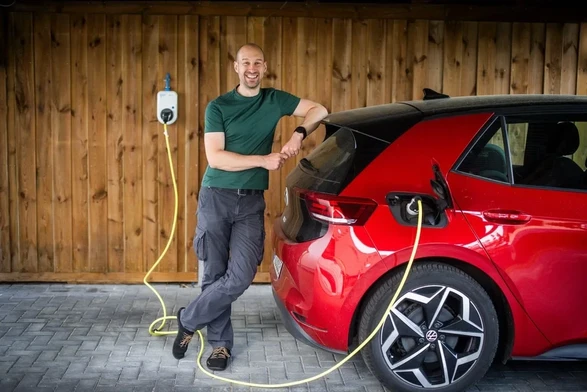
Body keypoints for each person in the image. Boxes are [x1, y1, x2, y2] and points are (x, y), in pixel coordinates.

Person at [172, 42, 329, 371]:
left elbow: (320, 110)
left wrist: (298, 134)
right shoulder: (219, 106)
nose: (252, 68)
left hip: (250, 201)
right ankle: (220, 346)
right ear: (237, 67)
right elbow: (216, 158)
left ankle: (188, 318)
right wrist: (264, 159)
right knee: (214, 274)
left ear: (265, 65)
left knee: (241, 275)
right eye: (246, 63)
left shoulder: (275, 100)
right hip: (216, 196)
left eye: (257, 62)